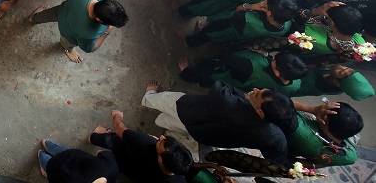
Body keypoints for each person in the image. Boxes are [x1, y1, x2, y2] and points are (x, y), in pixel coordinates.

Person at [141, 81, 291, 165]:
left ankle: (149, 97)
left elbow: (219, 86)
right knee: (171, 123)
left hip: (191, 110)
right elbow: (277, 157)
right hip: (204, 134)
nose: (255, 89)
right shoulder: (273, 137)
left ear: (260, 112)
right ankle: (159, 120)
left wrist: (244, 96)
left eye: (258, 94)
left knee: (167, 101)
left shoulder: (230, 104)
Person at [29, 0, 129, 63]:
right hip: (67, 33)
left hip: (63, 10)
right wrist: (106, 32)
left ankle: (34, 18)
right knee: (67, 43)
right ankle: (68, 50)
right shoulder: (91, 33)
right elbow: (90, 48)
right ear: (99, 20)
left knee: (47, 15)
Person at [88, 110, 194, 183]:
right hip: (132, 173)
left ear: (161, 159)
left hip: (122, 151)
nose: (161, 137)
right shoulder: (178, 179)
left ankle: (94, 137)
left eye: (161, 142)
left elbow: (118, 127)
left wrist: (117, 115)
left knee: (113, 140)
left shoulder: (145, 143)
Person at [179, 50, 308, 95]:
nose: (272, 58)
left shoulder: (251, 68)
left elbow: (226, 58)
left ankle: (187, 74)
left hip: (225, 75)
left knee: (205, 74)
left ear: (278, 73)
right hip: (240, 85)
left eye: (274, 61)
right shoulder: (295, 82)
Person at [284, 100, 362, 168]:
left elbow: (276, 100)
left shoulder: (298, 127)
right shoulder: (348, 156)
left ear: (324, 118)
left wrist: (312, 109)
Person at [37, 140, 118, 183]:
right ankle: (41, 154)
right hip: (55, 171)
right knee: (47, 163)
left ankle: (46, 144)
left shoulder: (112, 167)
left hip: (72, 156)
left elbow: (99, 152)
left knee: (60, 150)